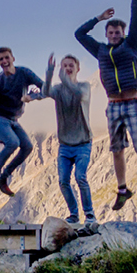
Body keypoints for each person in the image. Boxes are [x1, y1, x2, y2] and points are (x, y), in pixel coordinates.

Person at [76, 0, 137, 212]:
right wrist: (98, 18)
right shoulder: (99, 50)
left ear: (123, 33)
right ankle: (122, 189)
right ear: (106, 34)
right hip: (114, 105)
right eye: (110, 32)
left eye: (118, 31)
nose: (114, 34)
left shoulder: (132, 44)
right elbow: (79, 34)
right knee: (117, 149)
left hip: (134, 101)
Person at [0, 47, 44, 196]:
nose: (4, 61)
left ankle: (3, 179)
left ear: (13, 58)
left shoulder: (24, 73)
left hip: (13, 119)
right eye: (1, 59)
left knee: (27, 146)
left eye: (6, 58)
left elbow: (46, 88)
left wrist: (33, 96)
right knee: (12, 142)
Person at [43, 54, 95, 224]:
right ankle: (73, 214)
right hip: (65, 145)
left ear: (78, 68)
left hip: (83, 143)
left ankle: (89, 214)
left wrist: (64, 78)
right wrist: (50, 72)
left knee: (81, 177)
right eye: (64, 65)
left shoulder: (84, 86)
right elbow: (45, 92)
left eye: (71, 65)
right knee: (63, 180)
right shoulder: (58, 90)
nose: (67, 68)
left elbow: (80, 95)